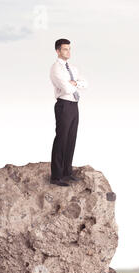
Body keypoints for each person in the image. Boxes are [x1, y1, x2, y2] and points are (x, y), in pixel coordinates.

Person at [49, 38, 88, 186]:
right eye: (65, 49)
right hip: (64, 105)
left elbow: (85, 83)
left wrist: (76, 83)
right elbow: (66, 89)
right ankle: (56, 176)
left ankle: (67, 172)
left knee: (71, 138)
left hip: (74, 105)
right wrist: (74, 85)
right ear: (58, 51)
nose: (68, 51)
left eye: (69, 49)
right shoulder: (56, 68)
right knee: (61, 138)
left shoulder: (73, 68)